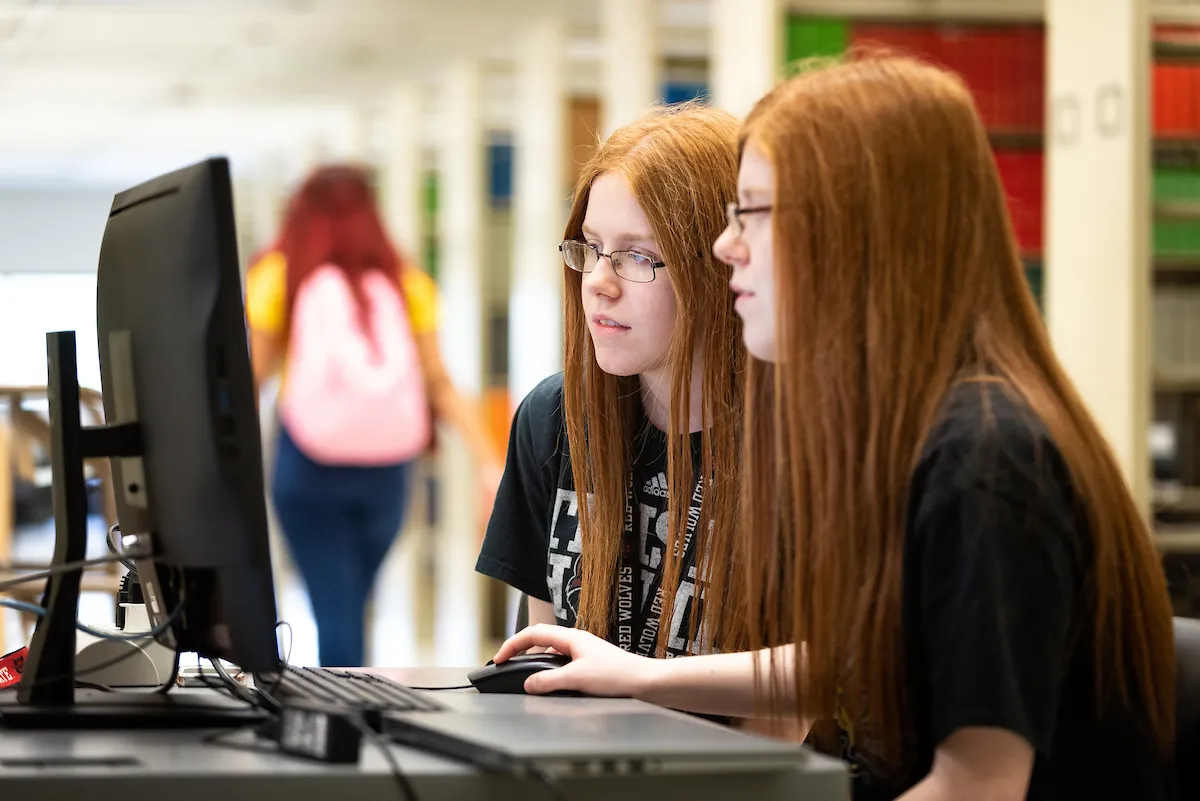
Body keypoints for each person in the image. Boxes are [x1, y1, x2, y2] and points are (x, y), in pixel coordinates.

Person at [491, 57, 1178, 800]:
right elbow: (850, 665)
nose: (726, 249)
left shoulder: (983, 457)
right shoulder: (905, 435)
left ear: (858, 227)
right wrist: (644, 677)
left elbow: (977, 784)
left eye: (751, 211)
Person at [475, 103, 748, 663]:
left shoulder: (796, 440)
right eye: (592, 249)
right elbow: (543, 656)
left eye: (638, 256)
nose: (598, 282)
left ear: (722, 266)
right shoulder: (553, 417)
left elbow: (802, 692)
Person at [247, 164, 503, 668]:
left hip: (308, 467)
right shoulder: (408, 284)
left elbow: (251, 377)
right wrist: (489, 460)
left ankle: (345, 715)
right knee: (353, 600)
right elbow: (439, 384)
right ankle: (355, 704)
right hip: (389, 470)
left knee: (334, 603)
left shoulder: (281, 275)